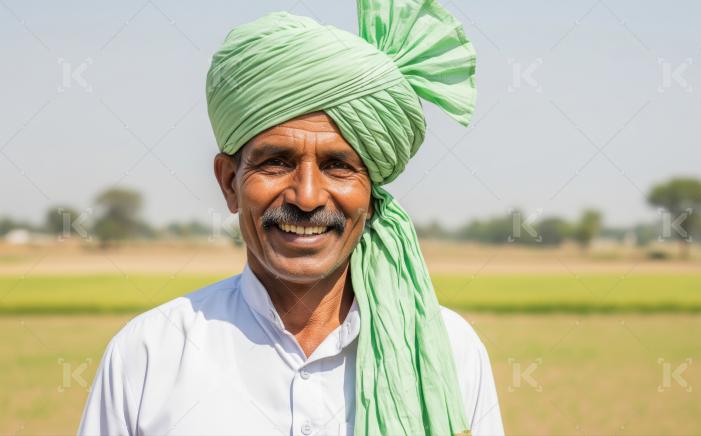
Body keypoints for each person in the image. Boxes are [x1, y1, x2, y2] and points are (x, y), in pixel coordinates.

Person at [78, 0, 503, 434]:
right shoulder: (149, 354)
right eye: (276, 163)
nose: (307, 196)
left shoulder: (446, 352)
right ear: (229, 183)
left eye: (339, 166)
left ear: (371, 195)